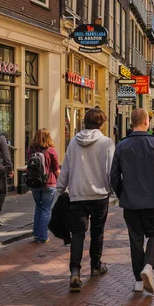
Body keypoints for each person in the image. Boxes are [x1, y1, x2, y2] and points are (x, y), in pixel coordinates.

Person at [111, 108, 154, 294]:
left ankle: (138, 281)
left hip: (131, 203)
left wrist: (123, 193)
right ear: (147, 122)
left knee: (136, 239)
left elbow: (114, 175)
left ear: (131, 123)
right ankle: (148, 266)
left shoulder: (121, 146)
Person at [56, 108, 115, 292]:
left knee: (78, 234)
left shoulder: (74, 142)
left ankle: (75, 271)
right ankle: (96, 267)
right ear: (101, 123)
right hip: (99, 195)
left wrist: (59, 190)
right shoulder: (106, 142)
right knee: (97, 233)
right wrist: (114, 190)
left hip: (77, 195)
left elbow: (66, 168)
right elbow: (111, 170)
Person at [27, 128, 60, 243]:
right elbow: (56, 169)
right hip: (49, 183)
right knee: (46, 209)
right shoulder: (51, 151)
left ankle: (36, 234)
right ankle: (43, 236)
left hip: (35, 183)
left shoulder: (30, 150)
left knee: (38, 207)